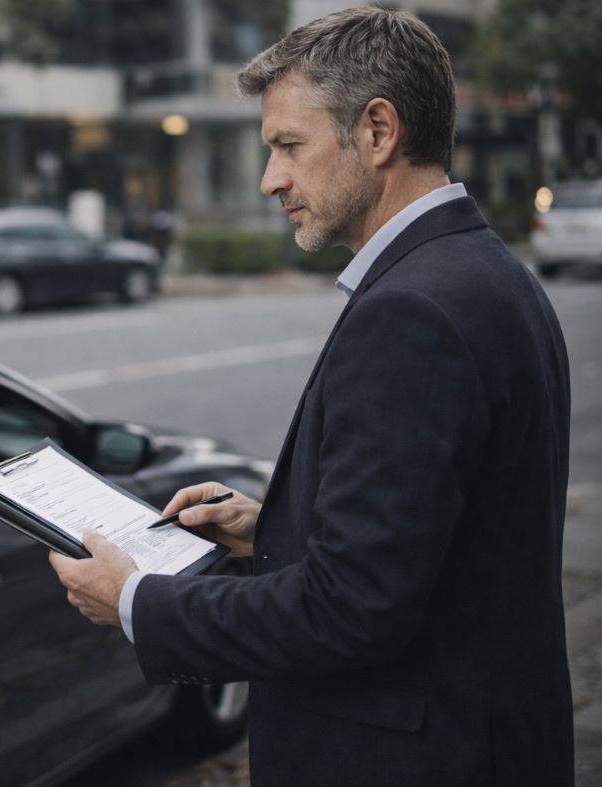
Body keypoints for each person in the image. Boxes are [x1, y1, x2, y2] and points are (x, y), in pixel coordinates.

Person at [47, 7, 574, 785]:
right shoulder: (490, 272)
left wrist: (136, 601)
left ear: (377, 132)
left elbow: (348, 611)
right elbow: (447, 538)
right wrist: (277, 528)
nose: (271, 180)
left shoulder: (410, 311)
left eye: (288, 146)